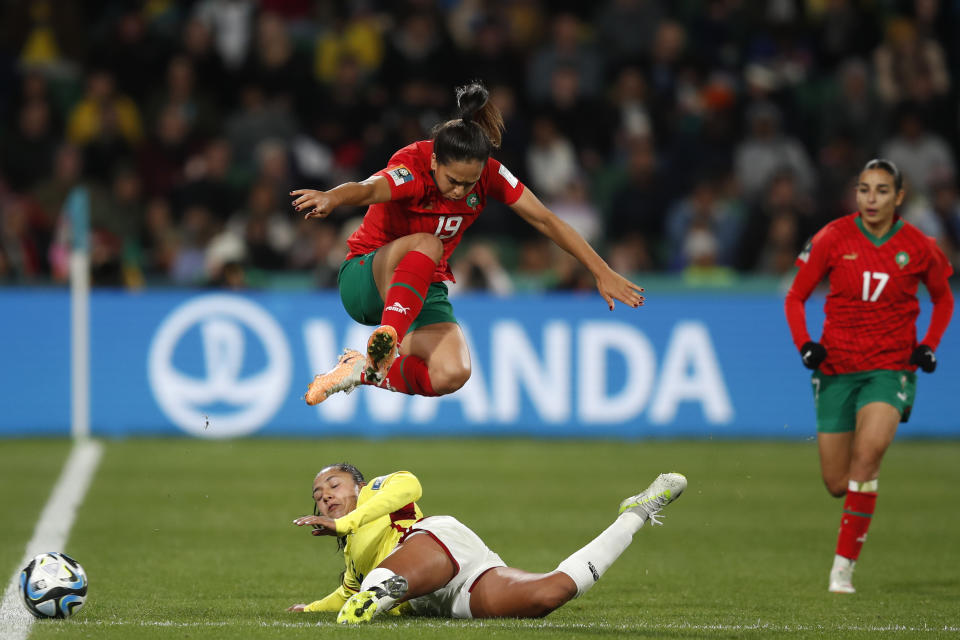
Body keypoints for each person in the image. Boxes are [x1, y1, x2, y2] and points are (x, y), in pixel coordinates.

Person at [290, 81, 645, 405]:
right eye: (453, 181)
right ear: (434, 161)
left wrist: (602, 271)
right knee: (429, 244)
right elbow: (368, 188)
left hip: (419, 287)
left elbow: (546, 220)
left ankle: (361, 369)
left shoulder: (489, 174)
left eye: (470, 183)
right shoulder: (412, 168)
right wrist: (333, 197)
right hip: (366, 277)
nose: (461, 190)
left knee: (452, 372)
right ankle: (389, 338)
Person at [784, 159, 954, 594]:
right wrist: (806, 344)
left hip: (890, 367)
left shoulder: (919, 246)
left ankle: (842, 570)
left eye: (881, 191)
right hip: (837, 368)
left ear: (899, 197)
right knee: (837, 483)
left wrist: (929, 344)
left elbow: (944, 299)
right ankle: (858, 505)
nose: (871, 199)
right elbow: (796, 296)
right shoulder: (832, 237)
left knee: (868, 456)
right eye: (864, 190)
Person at [287, 463, 686, 623]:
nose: (325, 496)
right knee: (547, 596)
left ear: (357, 484)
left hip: (438, 542)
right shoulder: (356, 557)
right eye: (319, 495)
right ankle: (635, 512)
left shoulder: (374, 494)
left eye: (334, 485)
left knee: (372, 594)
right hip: (444, 594)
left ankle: (383, 593)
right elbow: (344, 592)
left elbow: (411, 484)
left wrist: (350, 522)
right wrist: (310, 608)